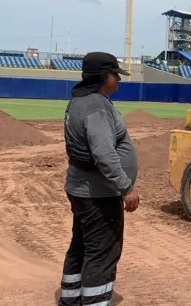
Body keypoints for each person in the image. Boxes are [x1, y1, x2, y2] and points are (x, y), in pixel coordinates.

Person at [58, 52, 140, 306]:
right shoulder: (96, 107)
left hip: (82, 189)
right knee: (101, 253)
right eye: (116, 74)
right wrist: (126, 187)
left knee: (81, 246)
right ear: (105, 76)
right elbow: (103, 153)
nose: (119, 79)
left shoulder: (78, 101)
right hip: (98, 194)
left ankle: (70, 300)